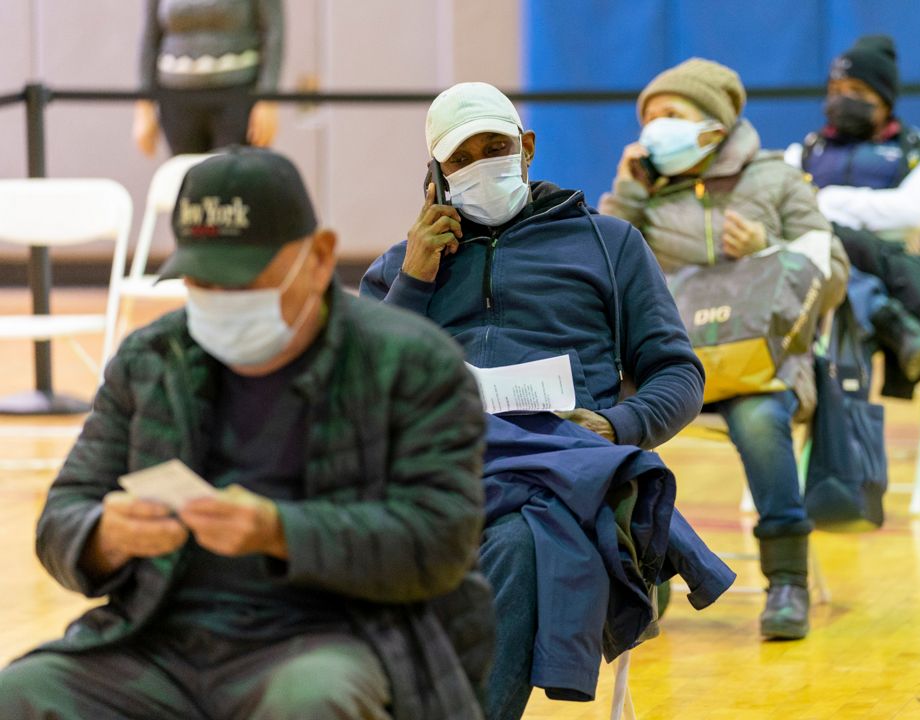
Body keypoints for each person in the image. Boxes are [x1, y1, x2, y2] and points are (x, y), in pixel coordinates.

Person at [0, 148, 493, 720]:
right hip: (162, 635)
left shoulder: (413, 363)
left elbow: (439, 543)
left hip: (339, 633)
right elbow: (64, 513)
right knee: (24, 693)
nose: (223, 301)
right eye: (203, 281)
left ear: (319, 257)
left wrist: (278, 531)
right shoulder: (152, 357)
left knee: (309, 702)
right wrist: (105, 536)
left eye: (245, 281)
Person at [361, 82, 732, 720]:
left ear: (527, 149)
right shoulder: (401, 266)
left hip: (561, 469)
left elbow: (677, 374)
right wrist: (414, 282)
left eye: (496, 147)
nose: (481, 164)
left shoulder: (610, 245)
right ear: (436, 176)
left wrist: (617, 426)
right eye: (461, 158)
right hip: (434, 471)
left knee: (519, 542)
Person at [600, 58, 851, 640]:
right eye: (649, 119)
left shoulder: (779, 180)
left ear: (713, 122)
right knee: (614, 422)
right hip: (668, 368)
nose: (655, 128)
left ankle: (786, 579)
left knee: (762, 421)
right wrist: (627, 197)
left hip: (761, 364)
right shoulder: (645, 197)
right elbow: (601, 277)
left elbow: (832, 272)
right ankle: (646, 574)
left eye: (671, 115)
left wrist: (771, 247)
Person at [787, 35, 920, 446]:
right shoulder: (806, 151)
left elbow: (912, 214)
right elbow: (785, 213)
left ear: (885, 99)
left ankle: (844, 458)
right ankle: (884, 320)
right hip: (815, 291)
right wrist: (865, 213)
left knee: (842, 284)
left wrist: (827, 202)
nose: (843, 100)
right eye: (836, 91)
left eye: (857, 92)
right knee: (833, 278)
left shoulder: (918, 153)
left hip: (901, 284)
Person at [133, 0, 283, 156]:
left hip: (237, 94)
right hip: (176, 98)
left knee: (232, 174)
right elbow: (149, 38)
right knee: (186, 174)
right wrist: (144, 106)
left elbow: (274, 32)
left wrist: (268, 99)